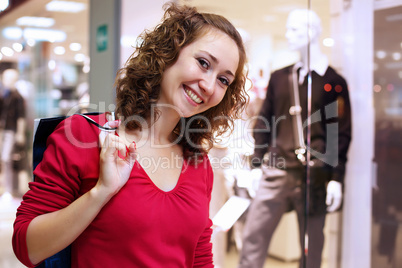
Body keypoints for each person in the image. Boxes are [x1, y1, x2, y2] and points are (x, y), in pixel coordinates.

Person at [12, 3, 248, 267]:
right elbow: (27, 247)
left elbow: (199, 256)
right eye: (203, 63)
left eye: (223, 80)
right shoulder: (84, 136)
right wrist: (101, 192)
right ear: (168, 53)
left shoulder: (198, 163)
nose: (208, 85)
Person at [238, 9, 352, 268]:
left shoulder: (333, 81)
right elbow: (264, 123)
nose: (288, 35)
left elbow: (340, 133)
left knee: (311, 245)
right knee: (254, 235)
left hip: (315, 174)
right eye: (288, 29)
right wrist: (256, 164)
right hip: (276, 169)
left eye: (294, 30)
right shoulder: (280, 77)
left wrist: (336, 179)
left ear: (311, 33)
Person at [0, 68, 26, 201]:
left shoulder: (18, 97)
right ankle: (7, 188)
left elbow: (21, 117)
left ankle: (10, 190)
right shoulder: (5, 95)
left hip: (11, 131)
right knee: (5, 159)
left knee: (7, 159)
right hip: (4, 131)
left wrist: (20, 134)